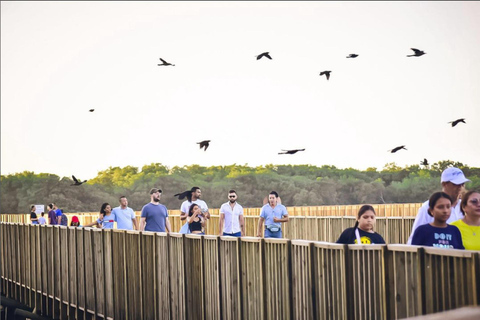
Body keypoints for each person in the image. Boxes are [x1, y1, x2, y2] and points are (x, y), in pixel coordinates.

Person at [407, 167, 470, 244]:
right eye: (456, 184)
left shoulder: (466, 206)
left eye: (462, 184)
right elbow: (415, 238)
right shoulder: (428, 206)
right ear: (444, 184)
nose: (460, 187)